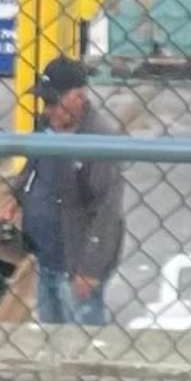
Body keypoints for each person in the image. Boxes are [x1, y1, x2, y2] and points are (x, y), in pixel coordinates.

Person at [18, 56, 123, 327]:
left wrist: (89, 268)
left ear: (78, 97)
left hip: (76, 263)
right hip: (47, 256)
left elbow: (107, 209)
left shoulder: (98, 139)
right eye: (45, 102)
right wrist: (16, 196)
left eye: (54, 103)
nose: (48, 110)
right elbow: (34, 165)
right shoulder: (45, 125)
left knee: (80, 338)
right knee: (49, 334)